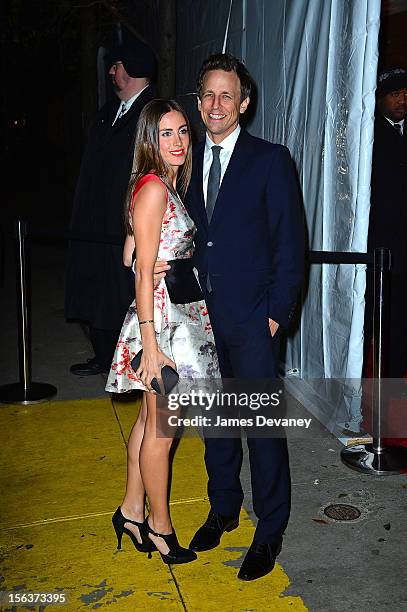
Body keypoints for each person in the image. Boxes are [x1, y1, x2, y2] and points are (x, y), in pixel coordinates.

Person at [155, 53, 304, 581]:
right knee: (214, 424)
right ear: (198, 102)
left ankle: (271, 526)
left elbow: (291, 244)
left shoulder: (271, 159)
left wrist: (275, 315)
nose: (216, 105)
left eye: (227, 96)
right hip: (199, 316)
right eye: (207, 95)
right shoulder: (183, 164)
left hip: (253, 318)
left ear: (244, 103)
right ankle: (224, 507)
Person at [105, 99, 220, 564]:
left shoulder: (159, 184)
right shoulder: (154, 188)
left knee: (147, 424)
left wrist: (150, 264)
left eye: (182, 132)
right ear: (150, 140)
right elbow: (137, 267)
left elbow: (129, 255)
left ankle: (131, 511)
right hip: (161, 326)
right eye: (166, 133)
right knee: (164, 431)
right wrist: (151, 349)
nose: (177, 142)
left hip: (167, 316)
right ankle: (159, 526)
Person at [65, 40, 156, 376]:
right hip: (97, 222)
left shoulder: (152, 111)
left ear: (131, 67)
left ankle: (129, 361)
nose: (112, 72)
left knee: (122, 295)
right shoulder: (109, 113)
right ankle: (105, 357)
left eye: (116, 65)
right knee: (98, 293)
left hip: (125, 226)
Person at [365, 68, 407, 378]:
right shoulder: (369, 136)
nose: (402, 99)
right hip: (381, 241)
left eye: (405, 93)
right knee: (380, 313)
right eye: (394, 94)